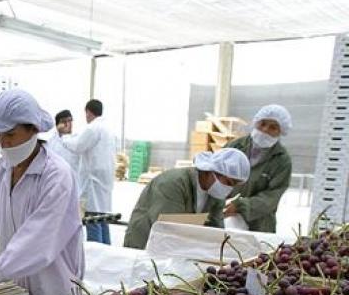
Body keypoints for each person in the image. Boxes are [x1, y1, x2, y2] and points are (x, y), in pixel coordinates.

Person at [0, 89, 83, 295]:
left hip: (52, 293)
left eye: (10, 135)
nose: (3, 142)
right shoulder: (1, 171)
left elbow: (37, 240)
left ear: (34, 129)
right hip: (10, 290)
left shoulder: (56, 176)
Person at [123, 148, 250, 249]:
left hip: (179, 246)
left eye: (234, 184)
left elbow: (215, 231)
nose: (229, 189)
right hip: (146, 243)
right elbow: (167, 229)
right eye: (228, 182)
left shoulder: (215, 194)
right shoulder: (172, 184)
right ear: (211, 171)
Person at [223, 104, 293, 233]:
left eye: (273, 127)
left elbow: (272, 196)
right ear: (256, 122)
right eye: (263, 124)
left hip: (259, 224)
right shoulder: (235, 146)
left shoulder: (281, 160)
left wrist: (240, 206)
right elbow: (216, 174)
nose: (265, 129)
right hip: (225, 215)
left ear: (281, 131)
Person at [59, 100, 116, 244]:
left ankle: (97, 255)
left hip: (93, 181)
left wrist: (64, 137)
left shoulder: (92, 128)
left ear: (88, 112)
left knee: (92, 219)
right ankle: (106, 253)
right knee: (103, 219)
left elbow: (78, 146)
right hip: (104, 181)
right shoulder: (108, 129)